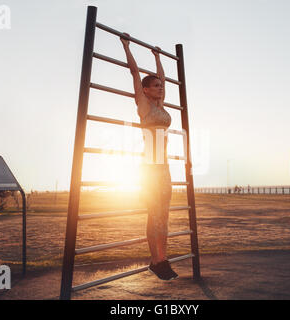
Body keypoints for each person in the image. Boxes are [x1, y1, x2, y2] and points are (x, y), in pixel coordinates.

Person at [120, 33, 178, 281]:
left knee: (164, 215)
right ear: (145, 90)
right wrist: (126, 46)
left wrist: (157, 57)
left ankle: (162, 260)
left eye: (160, 86)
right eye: (155, 86)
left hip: (163, 166)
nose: (160, 87)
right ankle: (154, 259)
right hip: (150, 167)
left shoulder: (161, 106)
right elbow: (134, 73)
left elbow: (163, 77)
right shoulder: (143, 105)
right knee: (153, 214)